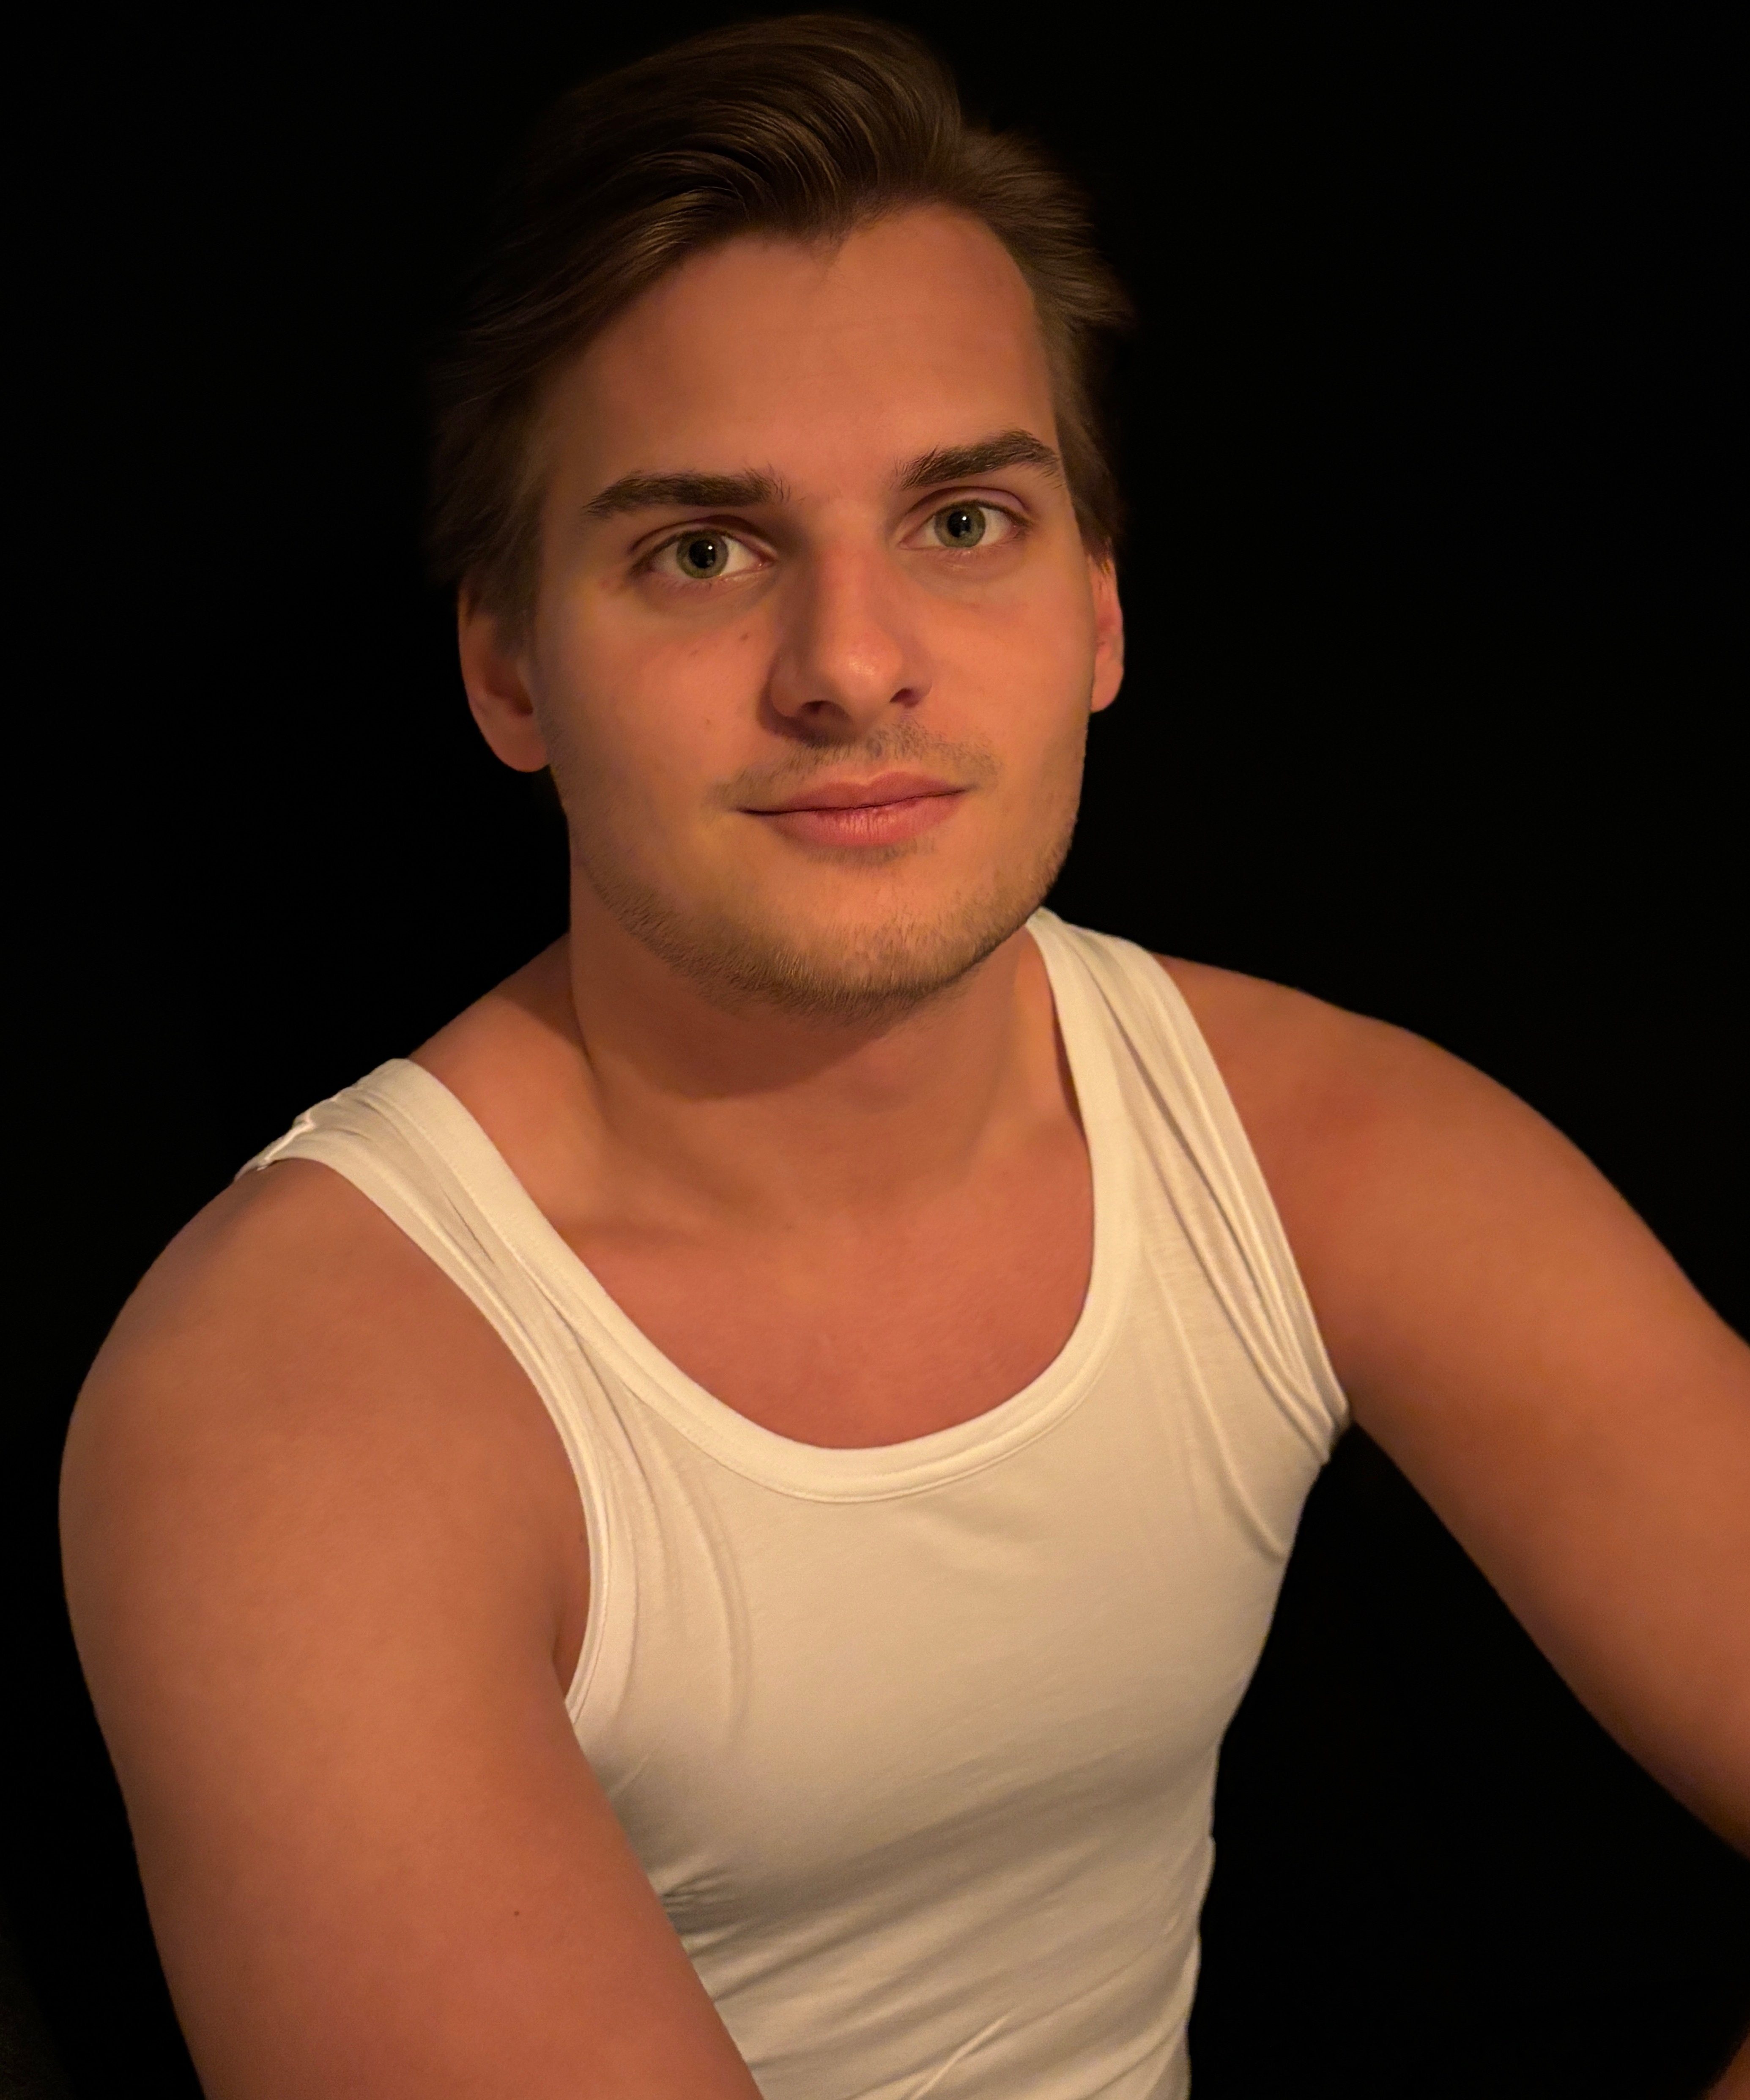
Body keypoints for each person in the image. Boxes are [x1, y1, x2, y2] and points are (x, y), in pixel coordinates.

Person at [59, 16, 1749, 2098]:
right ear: (510, 669)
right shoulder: (303, 1406)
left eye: (962, 522)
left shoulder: (1320, 1149)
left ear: (1101, 615)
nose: (853, 666)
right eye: (704, 551)